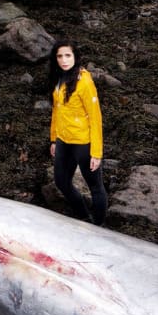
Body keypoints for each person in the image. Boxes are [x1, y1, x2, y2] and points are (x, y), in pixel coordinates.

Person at [47, 39, 107, 225]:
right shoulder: (60, 77)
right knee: (61, 182)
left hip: (83, 143)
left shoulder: (85, 82)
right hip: (63, 140)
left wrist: (96, 153)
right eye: (60, 56)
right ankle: (83, 216)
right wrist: (54, 139)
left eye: (68, 55)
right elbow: (57, 109)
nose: (64, 60)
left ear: (75, 57)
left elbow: (96, 118)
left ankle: (99, 226)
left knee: (95, 187)